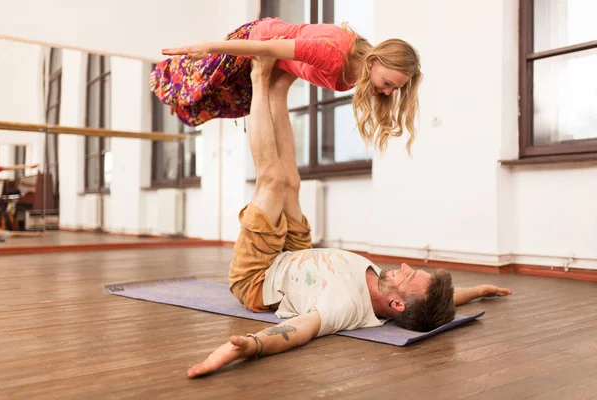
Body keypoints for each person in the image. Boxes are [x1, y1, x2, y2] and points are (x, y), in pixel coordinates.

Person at [186, 55, 512, 378]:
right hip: (298, 254)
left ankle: (259, 75)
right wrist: (481, 289)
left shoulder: (344, 308)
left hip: (259, 276)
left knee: (272, 180)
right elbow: (442, 300)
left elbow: (299, 330)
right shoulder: (404, 296)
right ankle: (280, 88)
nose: (404, 267)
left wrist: (252, 346)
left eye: (408, 277)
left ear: (396, 304)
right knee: (292, 183)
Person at [153, 17, 423, 154]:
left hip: (276, 65)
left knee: (225, 104)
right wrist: (210, 46)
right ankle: (161, 77)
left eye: (394, 90)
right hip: (255, 40)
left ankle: (178, 108)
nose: (387, 92)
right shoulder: (333, 53)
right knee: (196, 85)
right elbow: (266, 46)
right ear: (373, 61)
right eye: (387, 83)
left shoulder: (362, 71)